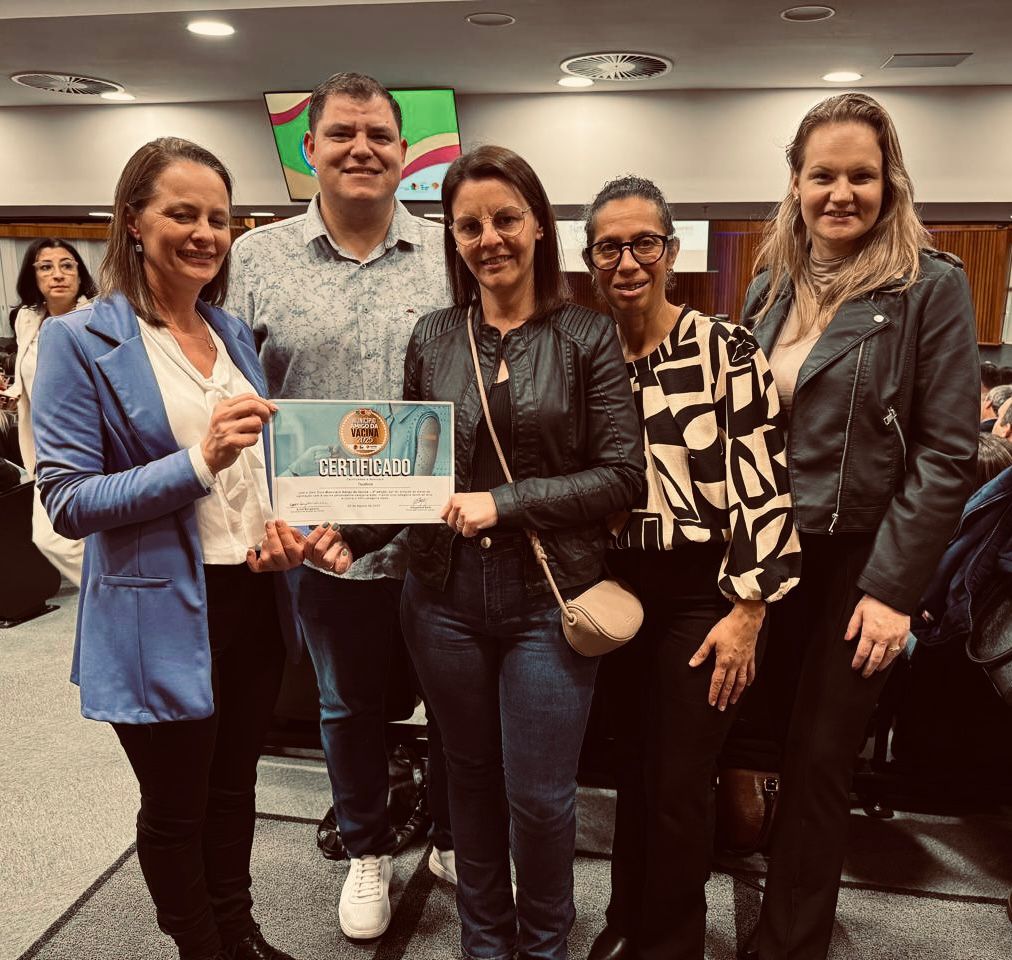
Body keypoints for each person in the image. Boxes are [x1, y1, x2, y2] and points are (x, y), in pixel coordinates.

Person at [316, 145, 645, 960]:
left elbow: (622, 475)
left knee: (540, 797)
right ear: (453, 239)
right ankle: (485, 945)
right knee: (466, 783)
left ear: (538, 225)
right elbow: (411, 473)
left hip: (548, 598)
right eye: (469, 226)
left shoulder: (586, 334)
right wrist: (350, 534)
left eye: (505, 219)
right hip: (442, 599)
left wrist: (505, 501)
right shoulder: (434, 336)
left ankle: (544, 946)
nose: (489, 238)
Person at [31, 137, 305, 960]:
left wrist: (279, 529)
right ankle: (200, 946)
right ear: (134, 221)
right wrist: (197, 460)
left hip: (251, 596)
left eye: (219, 218)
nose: (204, 233)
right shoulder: (80, 340)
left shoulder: (231, 333)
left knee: (234, 787)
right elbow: (69, 500)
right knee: (178, 804)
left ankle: (239, 931)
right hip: (157, 614)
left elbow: (252, 475)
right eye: (182, 213)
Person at [738, 92, 979, 960]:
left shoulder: (931, 285)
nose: (841, 193)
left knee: (820, 758)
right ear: (796, 183)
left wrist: (891, 590)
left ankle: (790, 944)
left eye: (862, 176)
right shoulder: (770, 285)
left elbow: (948, 453)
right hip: (766, 555)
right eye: (823, 175)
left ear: (891, 181)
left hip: (859, 563)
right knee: (742, 739)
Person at [226, 71, 454, 940]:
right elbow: (232, 397)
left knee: (457, 700)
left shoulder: (450, 252)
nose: (362, 149)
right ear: (309, 146)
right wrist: (265, 518)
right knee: (348, 703)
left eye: (379, 135)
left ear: (405, 152)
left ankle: (454, 835)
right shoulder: (256, 260)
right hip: (323, 542)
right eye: (344, 134)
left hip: (440, 535)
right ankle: (365, 845)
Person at [579, 176, 800, 960]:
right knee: (632, 771)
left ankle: (670, 945)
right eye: (610, 247)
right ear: (590, 259)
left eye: (644, 243)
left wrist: (749, 612)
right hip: (612, 590)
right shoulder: (585, 352)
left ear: (671, 252)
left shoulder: (722, 348)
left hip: (704, 594)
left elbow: (765, 485)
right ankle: (628, 920)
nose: (628, 262)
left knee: (678, 781)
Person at [0, 238, 96, 583]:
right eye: (46, 267)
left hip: (91, 443)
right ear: (33, 276)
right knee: (50, 538)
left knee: (95, 532)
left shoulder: (95, 319)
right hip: (45, 446)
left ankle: (114, 598)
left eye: (67, 265)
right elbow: (30, 372)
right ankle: (112, 595)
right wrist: (13, 395)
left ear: (79, 274)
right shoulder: (28, 319)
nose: (58, 274)